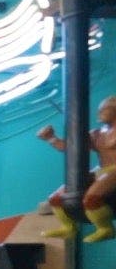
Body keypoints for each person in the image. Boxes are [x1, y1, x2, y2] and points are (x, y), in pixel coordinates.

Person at [35, 94, 116, 243]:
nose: (100, 113)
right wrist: (51, 138)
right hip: (101, 170)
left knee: (92, 198)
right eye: (100, 110)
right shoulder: (97, 134)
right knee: (55, 198)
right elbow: (70, 147)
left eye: (105, 109)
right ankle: (69, 227)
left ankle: (106, 229)